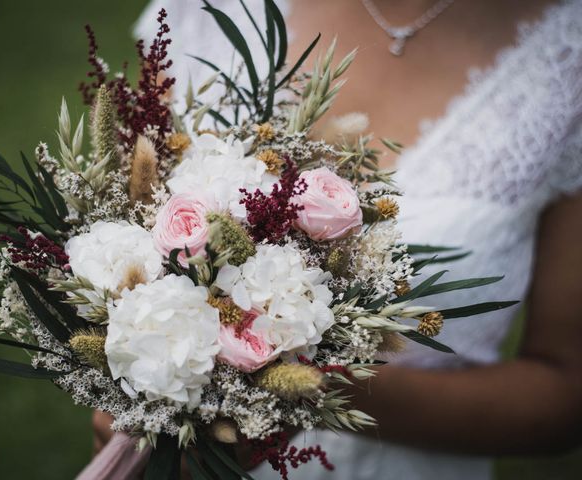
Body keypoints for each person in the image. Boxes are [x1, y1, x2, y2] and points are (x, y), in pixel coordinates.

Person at [92, 1, 582, 478]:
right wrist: (131, 377)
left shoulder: (569, 57)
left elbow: (565, 396)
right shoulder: (202, 10)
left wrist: (299, 385)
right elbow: (123, 218)